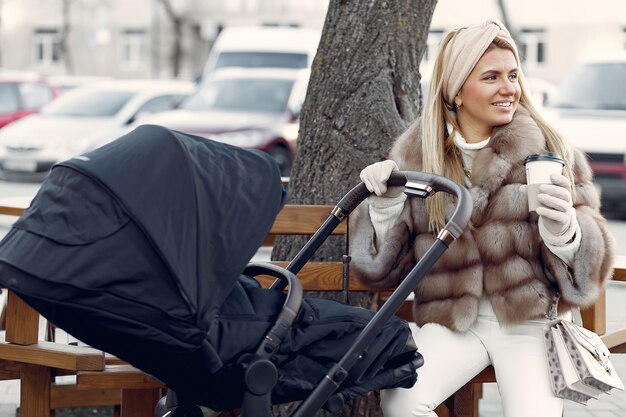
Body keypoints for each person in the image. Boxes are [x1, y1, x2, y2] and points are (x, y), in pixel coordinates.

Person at [348, 19, 615, 417]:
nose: (509, 88)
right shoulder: (416, 156)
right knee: (402, 402)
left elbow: (590, 266)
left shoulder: (548, 150)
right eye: (491, 77)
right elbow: (387, 270)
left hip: (528, 323)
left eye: (512, 75)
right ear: (456, 91)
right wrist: (384, 206)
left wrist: (566, 233)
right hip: (450, 320)